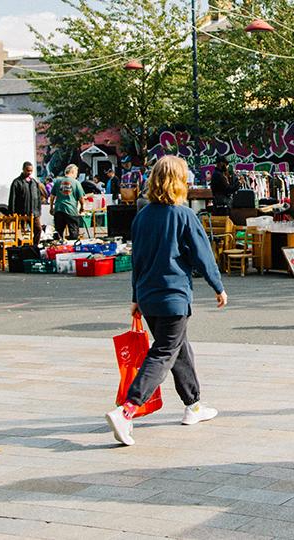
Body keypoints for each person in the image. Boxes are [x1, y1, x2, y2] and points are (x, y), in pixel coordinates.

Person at [105, 156, 227, 447]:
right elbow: (202, 254)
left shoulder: (143, 216)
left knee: (178, 349)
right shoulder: (183, 215)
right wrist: (218, 286)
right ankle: (128, 409)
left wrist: (135, 296)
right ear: (179, 181)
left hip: (148, 297)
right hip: (174, 296)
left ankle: (193, 405)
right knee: (163, 352)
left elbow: (138, 259)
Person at [7, 161, 43, 246]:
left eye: (31, 171)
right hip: (21, 213)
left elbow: (38, 198)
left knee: (38, 230)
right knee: (20, 233)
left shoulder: (34, 182)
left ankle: (34, 247)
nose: (29, 172)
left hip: (34, 213)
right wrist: (12, 213)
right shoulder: (17, 182)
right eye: (27, 170)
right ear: (23, 169)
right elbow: (12, 198)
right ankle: (20, 248)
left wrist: (38, 211)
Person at [50, 164, 86, 241]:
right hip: (71, 210)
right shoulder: (76, 183)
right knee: (74, 232)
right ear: (72, 172)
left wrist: (51, 208)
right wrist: (82, 208)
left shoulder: (57, 181)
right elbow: (81, 198)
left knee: (58, 233)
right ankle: (72, 249)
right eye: (76, 173)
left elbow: (52, 197)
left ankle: (57, 249)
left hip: (58, 209)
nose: (76, 175)